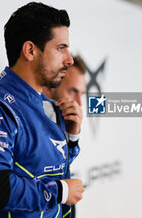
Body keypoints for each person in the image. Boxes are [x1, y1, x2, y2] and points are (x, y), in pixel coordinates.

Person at [0, 2, 85, 218]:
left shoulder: (46, 104)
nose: (69, 59)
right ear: (30, 50)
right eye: (60, 48)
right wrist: (60, 191)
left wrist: (71, 139)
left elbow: (41, 169)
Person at [43, 55, 87, 218]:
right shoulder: (24, 124)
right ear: (50, 87)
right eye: (73, 91)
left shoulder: (60, 124)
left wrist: (73, 136)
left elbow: (62, 165)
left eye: (82, 93)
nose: (79, 103)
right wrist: (63, 190)